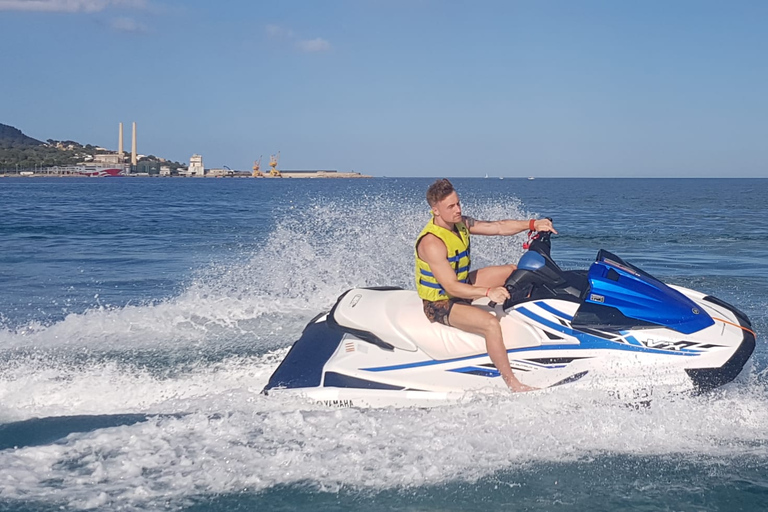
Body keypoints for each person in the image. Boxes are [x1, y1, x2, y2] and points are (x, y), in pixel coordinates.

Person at [415, 178, 556, 392]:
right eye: (451, 206)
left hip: (462, 284)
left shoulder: (460, 223)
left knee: (513, 271)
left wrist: (532, 224)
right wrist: (489, 292)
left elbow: (498, 227)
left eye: (458, 203)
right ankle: (513, 383)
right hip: (441, 301)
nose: (458, 209)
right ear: (435, 210)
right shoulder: (432, 242)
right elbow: (451, 288)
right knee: (490, 324)